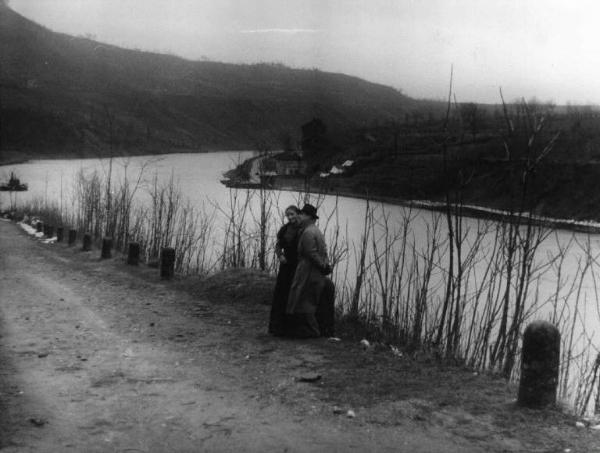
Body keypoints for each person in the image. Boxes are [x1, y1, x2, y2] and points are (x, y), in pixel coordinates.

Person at [286, 203, 332, 338]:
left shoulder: (308, 232)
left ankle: (312, 331)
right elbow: (323, 252)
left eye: (303, 214)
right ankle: (309, 330)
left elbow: (312, 253)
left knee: (303, 299)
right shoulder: (316, 230)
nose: (300, 216)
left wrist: (323, 266)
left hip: (308, 270)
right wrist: (326, 265)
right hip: (314, 270)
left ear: (309, 217)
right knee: (308, 299)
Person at [268, 205, 301, 336]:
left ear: (298, 214)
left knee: (294, 295)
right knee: (281, 294)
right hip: (286, 265)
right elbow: (278, 246)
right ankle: (277, 327)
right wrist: (280, 255)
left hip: (298, 266)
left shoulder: (303, 229)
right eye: (288, 215)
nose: (290, 217)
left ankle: (292, 328)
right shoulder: (285, 229)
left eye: (292, 214)